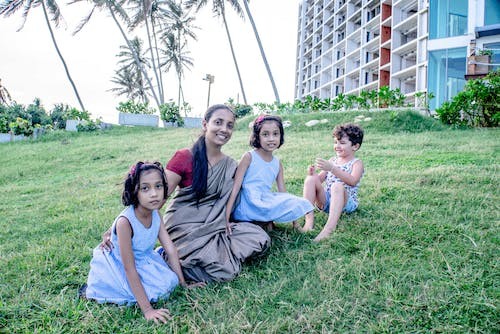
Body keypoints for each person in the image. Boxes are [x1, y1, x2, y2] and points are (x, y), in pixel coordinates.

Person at [162, 104, 271, 283]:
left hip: (217, 225)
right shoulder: (184, 157)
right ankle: (178, 260)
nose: (224, 129)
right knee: (223, 272)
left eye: (229, 125)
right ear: (205, 124)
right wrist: (120, 228)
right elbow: (156, 199)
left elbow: (241, 196)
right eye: (218, 122)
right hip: (185, 226)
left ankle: (208, 258)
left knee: (259, 238)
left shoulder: (230, 165)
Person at [85, 161, 203, 324]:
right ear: (135, 191)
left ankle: (161, 273)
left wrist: (183, 284)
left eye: (158, 186)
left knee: (171, 282)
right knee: (158, 290)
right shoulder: (125, 222)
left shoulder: (156, 214)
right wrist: (148, 310)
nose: (154, 194)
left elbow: (170, 249)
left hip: (144, 258)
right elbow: (129, 267)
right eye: (145, 188)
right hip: (122, 265)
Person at [226, 114, 314, 232]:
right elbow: (235, 188)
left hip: (265, 199)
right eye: (265, 134)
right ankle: (259, 222)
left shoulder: (277, 163)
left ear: (280, 136)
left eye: (275, 134)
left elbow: (283, 193)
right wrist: (226, 219)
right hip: (248, 202)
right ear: (257, 137)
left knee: (300, 202)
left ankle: (268, 222)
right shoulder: (249, 157)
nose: (271, 139)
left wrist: (295, 224)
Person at [302, 123, 364, 242]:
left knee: (337, 186)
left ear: (355, 146)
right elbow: (319, 180)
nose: (337, 146)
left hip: (346, 203)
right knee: (310, 180)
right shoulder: (332, 160)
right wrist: (312, 174)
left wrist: (332, 168)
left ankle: (329, 228)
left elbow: (353, 181)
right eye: (335, 142)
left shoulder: (356, 163)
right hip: (326, 202)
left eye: (342, 143)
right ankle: (309, 221)